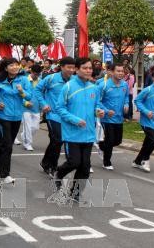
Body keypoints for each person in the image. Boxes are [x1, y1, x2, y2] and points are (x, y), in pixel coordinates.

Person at [53, 57, 104, 201]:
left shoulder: (94, 87)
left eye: (90, 68)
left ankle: (75, 193)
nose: (88, 71)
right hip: (72, 133)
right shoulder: (68, 87)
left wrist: (99, 111)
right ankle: (59, 173)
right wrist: (75, 120)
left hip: (88, 133)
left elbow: (97, 106)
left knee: (85, 166)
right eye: (85, 68)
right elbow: (59, 108)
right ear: (77, 69)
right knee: (74, 162)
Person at [0, 58, 32, 184]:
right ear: (5, 68)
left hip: (17, 116)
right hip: (2, 116)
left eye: (16, 65)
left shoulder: (24, 79)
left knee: (6, 144)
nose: (14, 67)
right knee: (8, 145)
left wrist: (21, 91)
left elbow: (30, 96)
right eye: (11, 65)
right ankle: (5, 175)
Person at [34, 56, 76, 177]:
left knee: (55, 141)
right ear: (61, 67)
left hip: (66, 116)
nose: (71, 70)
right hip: (52, 115)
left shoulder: (74, 81)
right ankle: (52, 167)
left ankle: (45, 162)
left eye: (73, 68)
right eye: (68, 67)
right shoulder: (51, 78)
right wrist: (44, 104)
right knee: (58, 139)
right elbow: (37, 90)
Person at [98, 63, 129, 170]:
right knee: (110, 141)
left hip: (119, 118)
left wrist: (126, 104)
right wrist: (106, 111)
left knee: (117, 141)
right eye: (118, 71)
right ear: (111, 72)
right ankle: (106, 162)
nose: (121, 73)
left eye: (122, 71)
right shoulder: (104, 85)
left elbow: (126, 97)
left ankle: (101, 144)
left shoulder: (124, 85)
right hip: (106, 119)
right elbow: (97, 101)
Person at [20, 64, 42, 151]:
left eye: (38, 74)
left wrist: (42, 105)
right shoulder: (24, 80)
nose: (36, 76)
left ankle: (24, 135)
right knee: (28, 126)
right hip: (25, 108)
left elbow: (42, 94)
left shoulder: (41, 81)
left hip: (37, 108)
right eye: (35, 74)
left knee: (35, 127)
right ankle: (27, 144)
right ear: (31, 72)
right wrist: (25, 102)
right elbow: (19, 94)